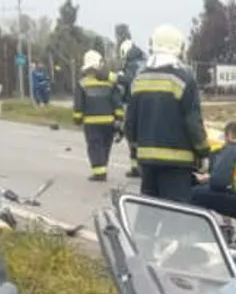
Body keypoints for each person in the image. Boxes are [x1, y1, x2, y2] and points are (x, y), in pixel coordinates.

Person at [125, 24, 210, 203]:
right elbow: (192, 121)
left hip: (147, 160)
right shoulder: (183, 78)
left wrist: (135, 149)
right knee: (176, 216)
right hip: (177, 162)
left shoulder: (139, 79)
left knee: (149, 212)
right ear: (178, 48)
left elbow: (130, 121)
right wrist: (203, 151)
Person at [72, 50, 122, 182]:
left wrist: (77, 119)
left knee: (95, 146)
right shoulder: (110, 83)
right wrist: (119, 118)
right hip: (109, 122)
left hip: (91, 123)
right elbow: (117, 102)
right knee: (105, 146)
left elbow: (79, 105)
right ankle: (103, 167)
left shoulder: (82, 83)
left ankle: (99, 172)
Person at [114, 37, 148, 179]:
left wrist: (116, 77)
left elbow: (128, 80)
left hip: (133, 102)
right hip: (146, 102)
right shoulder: (144, 62)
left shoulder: (132, 65)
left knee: (132, 134)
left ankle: (137, 167)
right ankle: (137, 167)